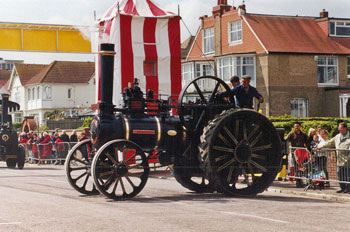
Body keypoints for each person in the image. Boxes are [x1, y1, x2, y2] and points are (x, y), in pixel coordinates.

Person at [317, 122, 350, 193]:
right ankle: (342, 188)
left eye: (340, 128)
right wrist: (320, 147)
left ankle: (348, 188)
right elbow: (329, 143)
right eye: (338, 127)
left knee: (348, 176)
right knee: (340, 174)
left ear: (345, 128)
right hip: (339, 160)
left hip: (348, 160)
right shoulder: (337, 136)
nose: (339, 129)